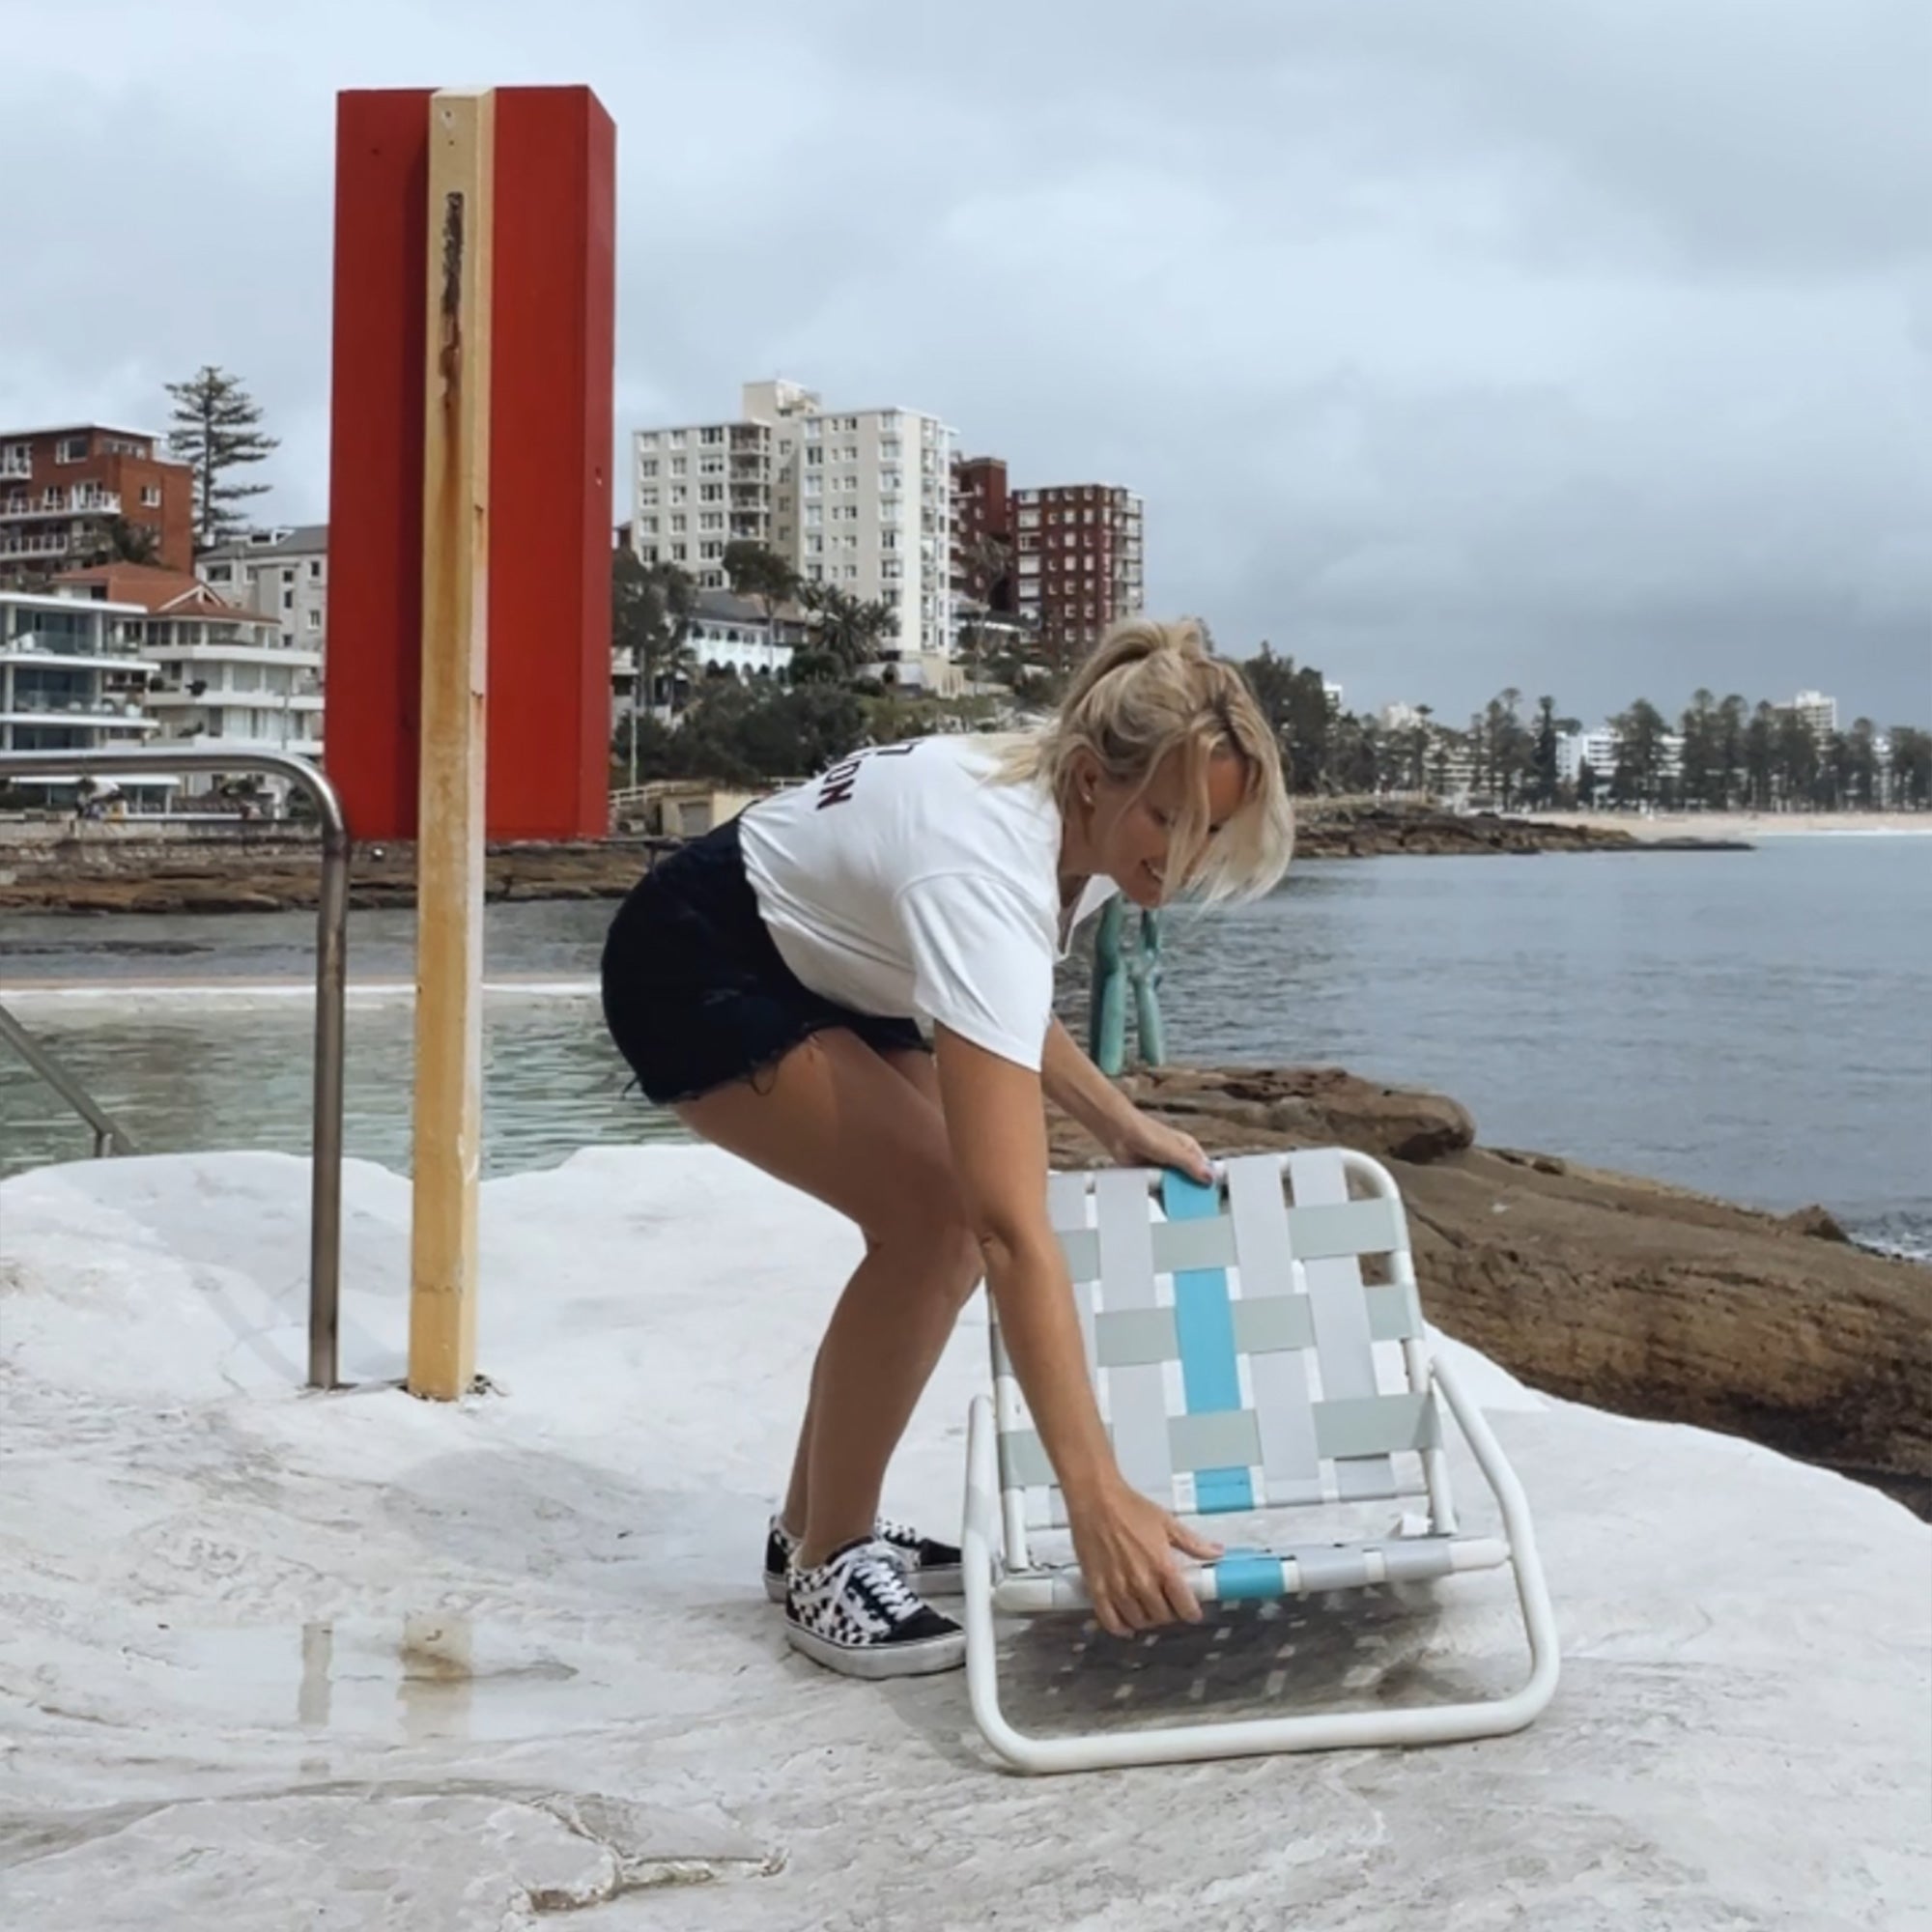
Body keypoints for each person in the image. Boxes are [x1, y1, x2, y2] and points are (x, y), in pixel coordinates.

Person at [600, 617, 1294, 1678]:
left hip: (840, 964)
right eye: (1168, 818)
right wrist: (1093, 1492)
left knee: (937, 1225)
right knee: (937, 1223)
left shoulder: (1085, 822)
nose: (1184, 855)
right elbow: (1011, 1225)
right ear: (1090, 778)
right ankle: (833, 1557)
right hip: (697, 956)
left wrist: (1115, 1118)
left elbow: (999, 987)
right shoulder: (985, 851)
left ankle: (807, 1535)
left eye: (1210, 829)